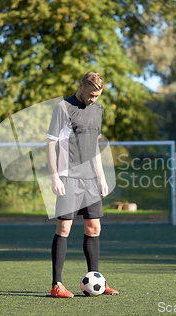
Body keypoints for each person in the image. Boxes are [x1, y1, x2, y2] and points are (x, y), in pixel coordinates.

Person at [46, 72, 119, 298]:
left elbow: (94, 146)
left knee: (94, 228)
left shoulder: (99, 110)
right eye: (90, 94)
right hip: (68, 177)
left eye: (97, 96)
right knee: (64, 229)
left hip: (90, 180)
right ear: (81, 86)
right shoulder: (63, 108)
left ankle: (96, 279)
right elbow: (50, 144)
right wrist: (55, 177)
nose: (93, 99)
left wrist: (101, 176)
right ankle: (57, 285)